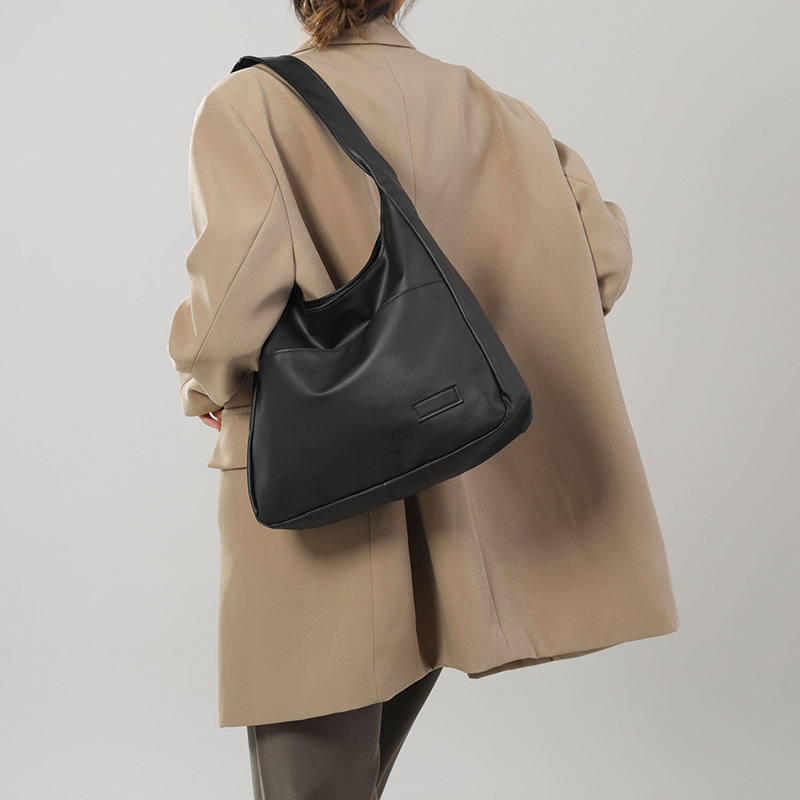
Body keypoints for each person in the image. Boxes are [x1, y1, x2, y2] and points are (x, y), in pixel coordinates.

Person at [167, 1, 680, 797]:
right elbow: (601, 259)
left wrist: (204, 380)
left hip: (324, 480)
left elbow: (235, 291)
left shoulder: (253, 103)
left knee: (311, 780)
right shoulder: (503, 116)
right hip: (459, 478)